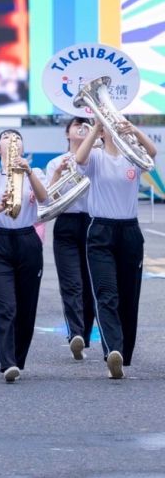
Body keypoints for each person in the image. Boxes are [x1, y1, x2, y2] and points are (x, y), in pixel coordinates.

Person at [74, 116, 157, 379]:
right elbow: (79, 159)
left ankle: (123, 353)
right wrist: (97, 127)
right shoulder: (96, 157)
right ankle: (113, 351)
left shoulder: (132, 157)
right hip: (101, 232)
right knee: (106, 292)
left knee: (128, 297)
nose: (115, 129)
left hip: (129, 232)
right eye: (110, 127)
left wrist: (134, 130)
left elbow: (151, 154)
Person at [0, 129, 49, 382]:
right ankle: (7, 362)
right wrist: (2, 205)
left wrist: (28, 171)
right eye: (6, 137)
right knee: (5, 305)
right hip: (0, 242)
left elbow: (44, 198)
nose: (12, 140)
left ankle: (18, 358)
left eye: (17, 138)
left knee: (26, 308)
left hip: (28, 240)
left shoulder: (34, 173)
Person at [45, 117, 95, 360]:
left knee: (90, 285)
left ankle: (83, 336)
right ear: (67, 134)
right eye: (77, 125)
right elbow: (48, 198)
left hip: (93, 224)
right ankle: (75, 333)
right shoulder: (56, 162)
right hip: (66, 223)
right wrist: (57, 173)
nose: (82, 128)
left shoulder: (97, 159)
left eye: (86, 124)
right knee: (71, 283)